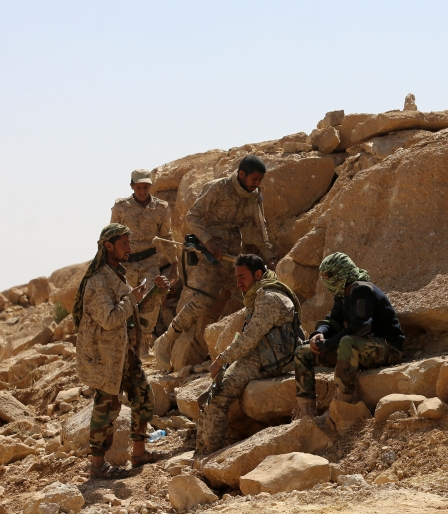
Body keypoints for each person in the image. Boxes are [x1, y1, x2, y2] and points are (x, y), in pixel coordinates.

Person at [153, 154, 276, 371]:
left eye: (260, 181)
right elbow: (193, 216)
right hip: (210, 256)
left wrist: (270, 257)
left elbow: (260, 228)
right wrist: (208, 241)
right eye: (254, 180)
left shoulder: (253, 196)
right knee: (201, 301)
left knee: (249, 298)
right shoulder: (219, 189)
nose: (257, 184)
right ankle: (166, 340)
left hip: (233, 257)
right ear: (241, 174)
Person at [73, 223, 170, 478]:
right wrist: (132, 299)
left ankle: (139, 454)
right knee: (107, 407)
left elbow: (132, 314)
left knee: (143, 396)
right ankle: (98, 466)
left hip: (125, 353)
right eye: (124, 244)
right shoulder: (96, 282)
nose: (129, 248)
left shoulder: (117, 274)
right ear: (108, 246)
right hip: (105, 357)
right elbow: (109, 318)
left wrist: (155, 292)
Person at [194, 254, 302, 455]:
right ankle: (200, 450)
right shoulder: (259, 294)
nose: (238, 282)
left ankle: (208, 453)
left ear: (258, 274)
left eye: (242, 277)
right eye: (236, 277)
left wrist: (222, 359)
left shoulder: (269, 298)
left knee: (218, 396)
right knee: (210, 392)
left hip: (271, 361)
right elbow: (246, 333)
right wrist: (228, 360)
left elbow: (252, 336)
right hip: (262, 355)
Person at [293, 253, 405, 418]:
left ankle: (344, 404)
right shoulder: (342, 294)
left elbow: (361, 327)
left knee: (347, 341)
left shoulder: (362, 289)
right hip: (359, 350)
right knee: (303, 351)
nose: (326, 281)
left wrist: (330, 343)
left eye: (329, 276)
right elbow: (332, 321)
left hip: (387, 348)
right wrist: (319, 334)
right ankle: (306, 412)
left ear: (342, 272)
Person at [110, 168, 178, 352]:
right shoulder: (121, 207)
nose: (142, 191)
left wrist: (174, 263)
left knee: (153, 298)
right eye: (138, 187)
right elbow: (112, 236)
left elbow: (167, 236)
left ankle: (144, 341)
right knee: (126, 301)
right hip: (126, 263)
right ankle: (126, 343)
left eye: (146, 187)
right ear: (132, 186)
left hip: (149, 260)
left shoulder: (160, 208)